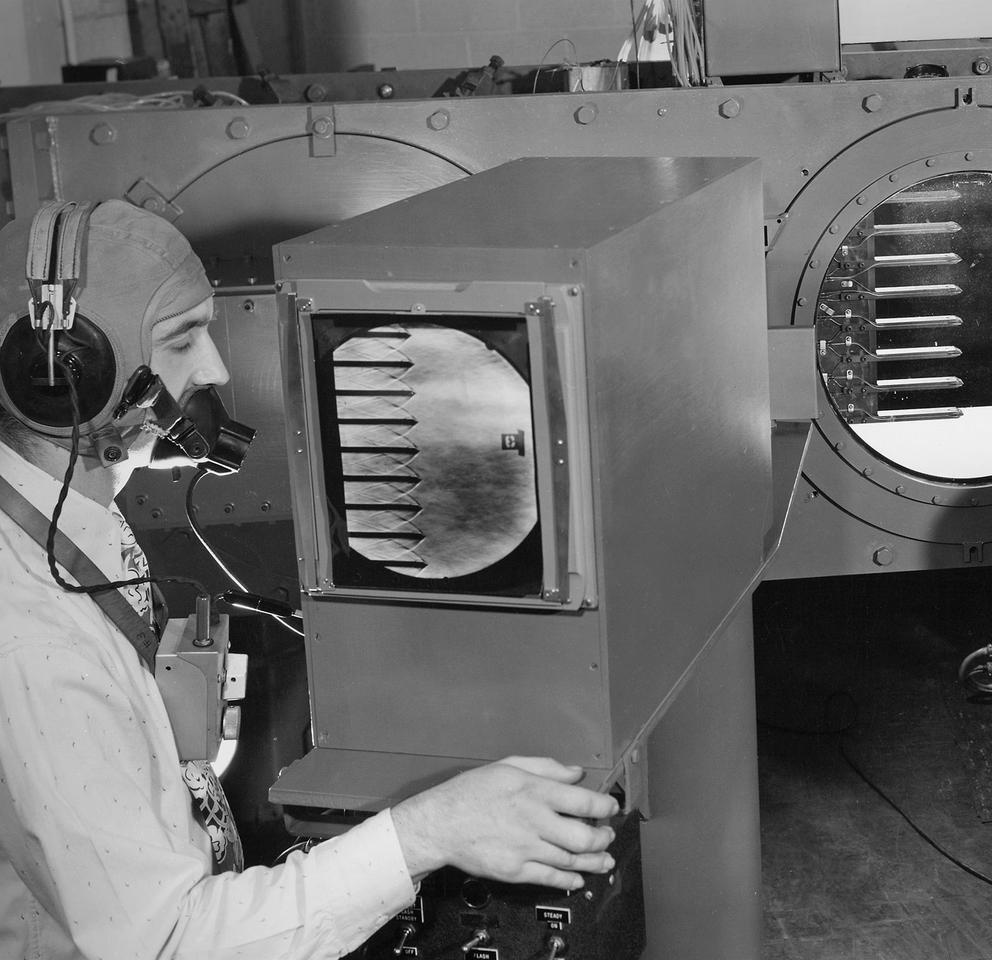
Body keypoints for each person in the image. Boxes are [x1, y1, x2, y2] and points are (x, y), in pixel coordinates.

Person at [0, 199, 618, 959]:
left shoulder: (59, 516)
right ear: (66, 378)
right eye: (182, 339)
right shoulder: (33, 644)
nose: (216, 370)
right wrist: (432, 830)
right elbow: (168, 944)